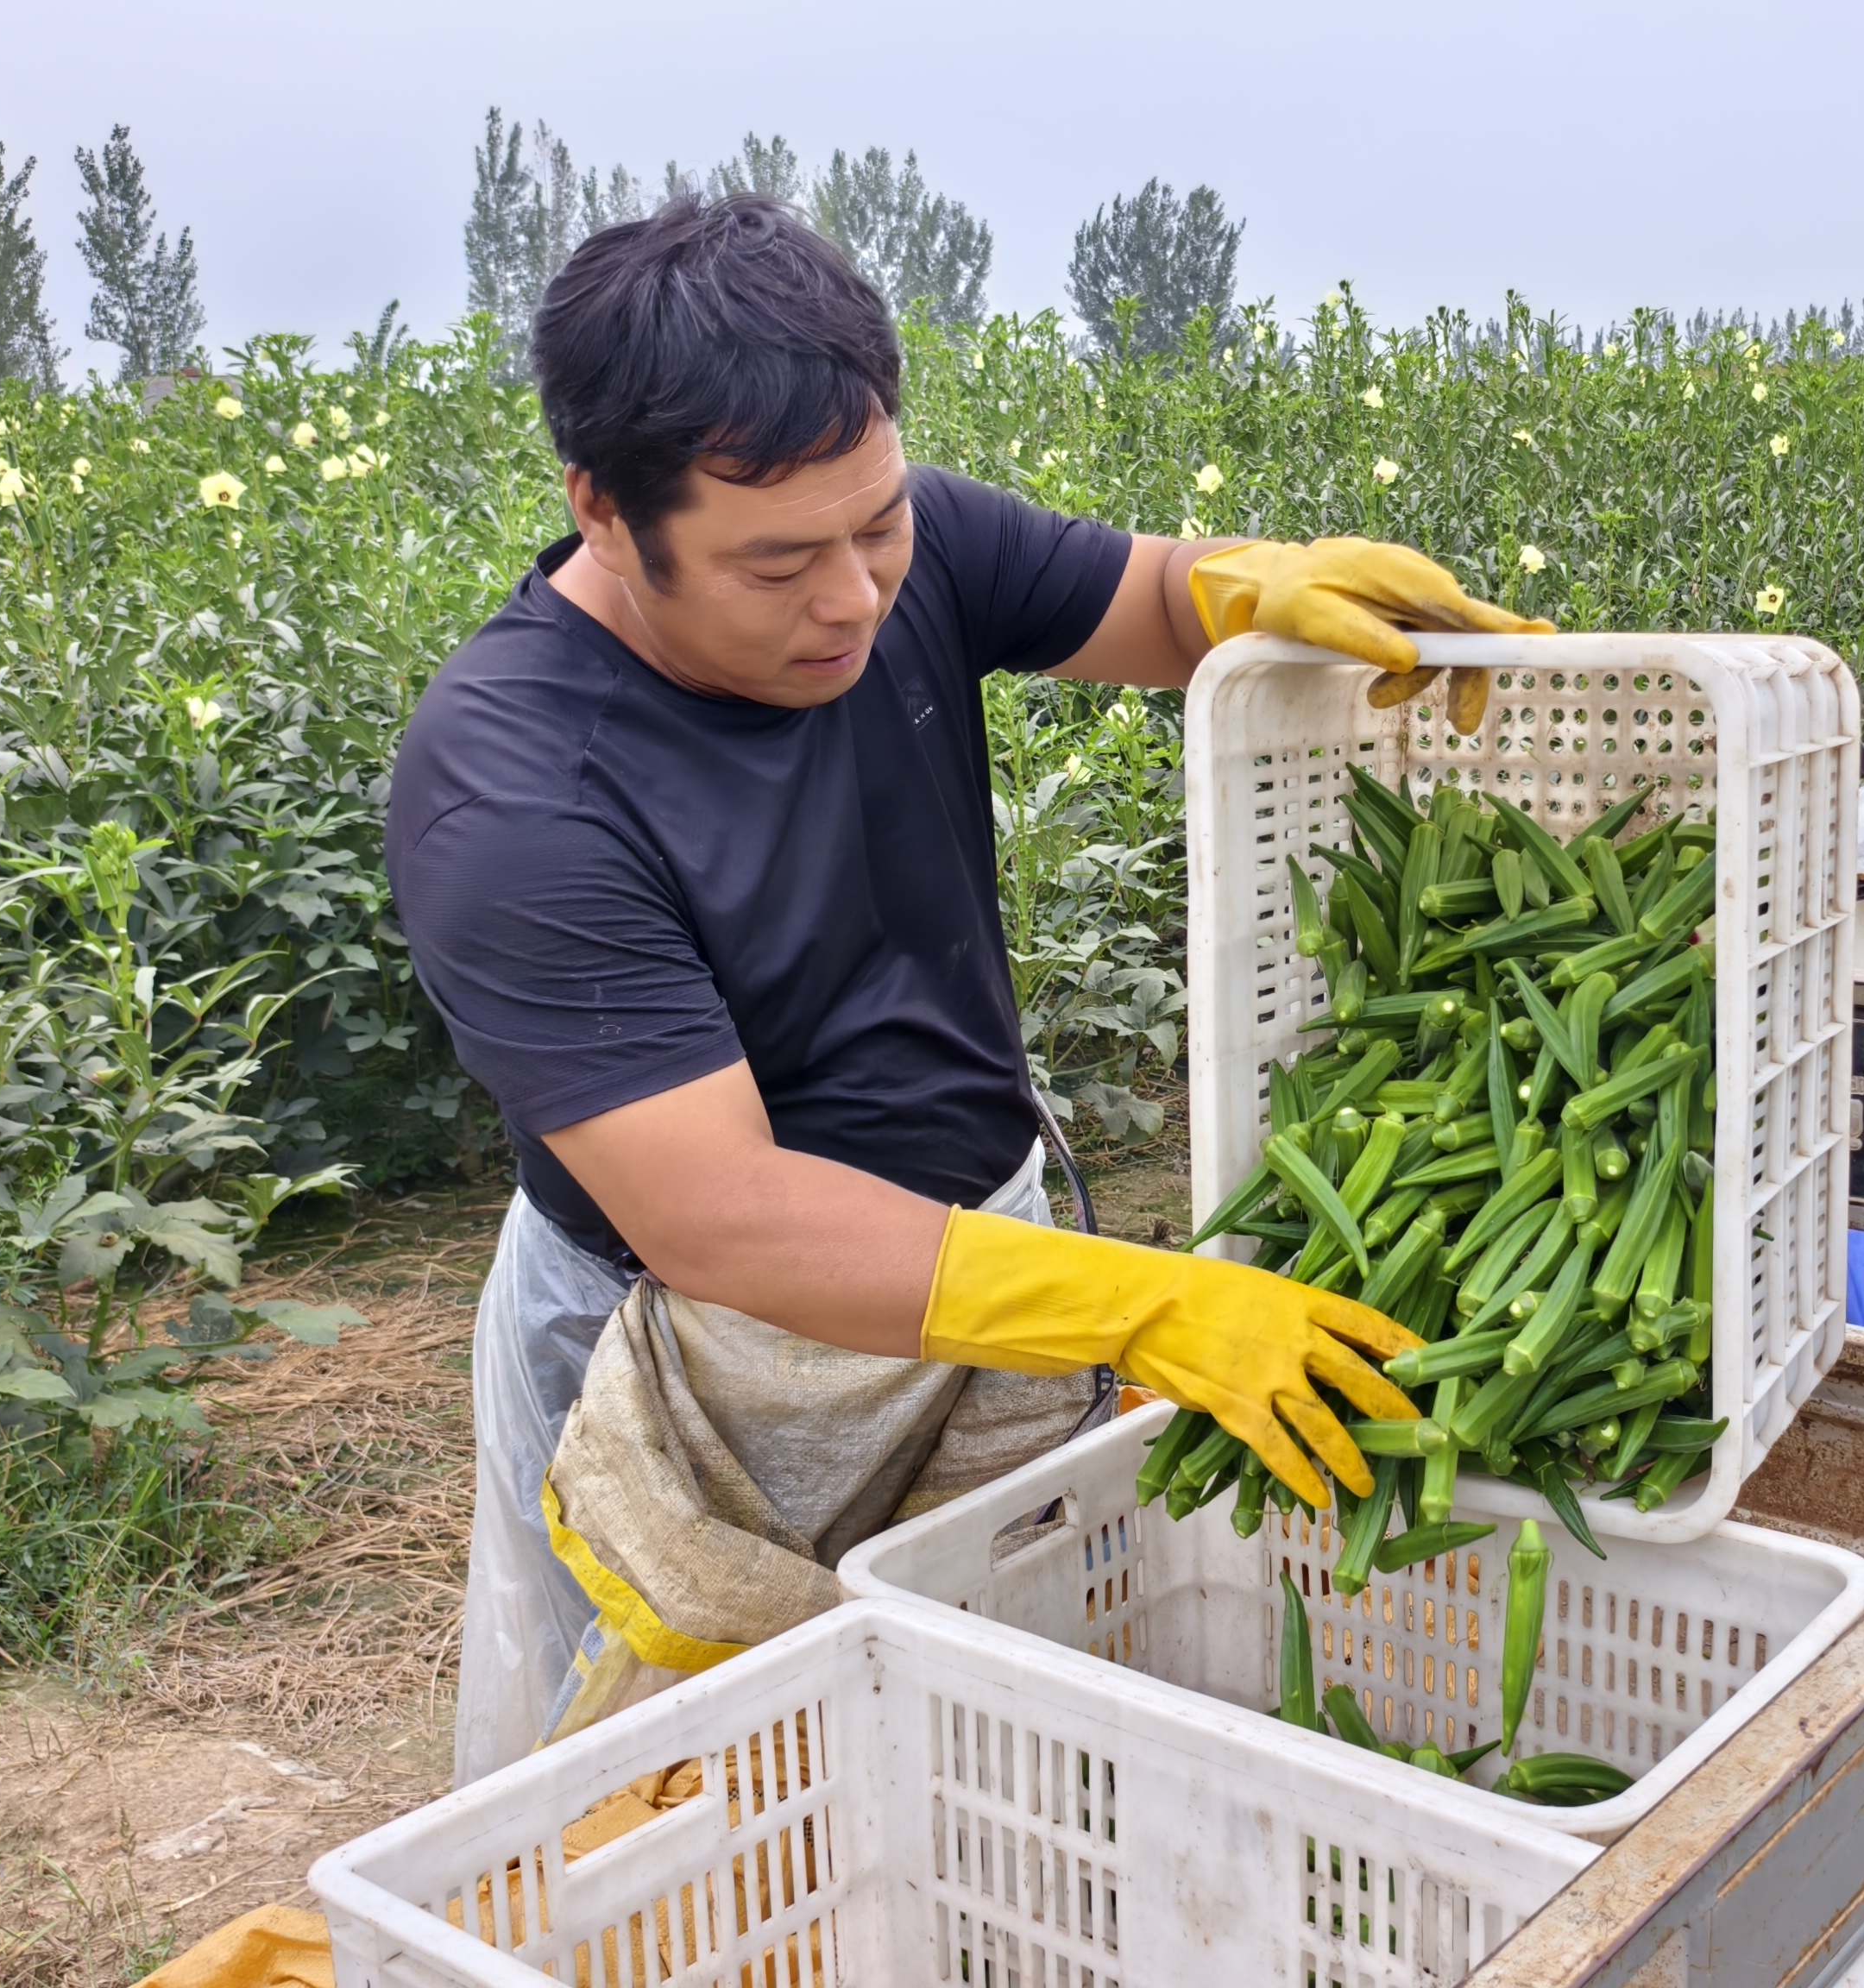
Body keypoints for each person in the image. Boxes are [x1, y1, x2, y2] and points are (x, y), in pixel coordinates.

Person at [384, 192, 1550, 1780]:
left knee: (964, 1753)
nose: (855, 597)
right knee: (663, 1799)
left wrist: (1250, 589)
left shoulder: (883, 548)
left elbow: (1137, 601)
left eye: (877, 526)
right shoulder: (515, 788)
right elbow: (725, 1218)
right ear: (603, 512)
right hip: (703, 1352)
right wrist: (1144, 1303)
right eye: (779, 563)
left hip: (978, 1270)